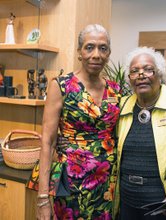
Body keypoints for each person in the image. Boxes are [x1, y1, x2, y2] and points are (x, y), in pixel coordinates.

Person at [37, 24, 122, 220]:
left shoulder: (116, 90)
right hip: (71, 180)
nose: (96, 54)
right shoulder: (61, 86)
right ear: (79, 52)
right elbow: (47, 142)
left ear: (108, 53)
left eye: (103, 48)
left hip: (108, 182)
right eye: (89, 47)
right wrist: (43, 198)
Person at [114, 47, 166, 220]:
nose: (141, 75)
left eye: (148, 69)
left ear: (160, 74)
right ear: (129, 78)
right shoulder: (121, 105)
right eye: (134, 71)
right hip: (127, 204)